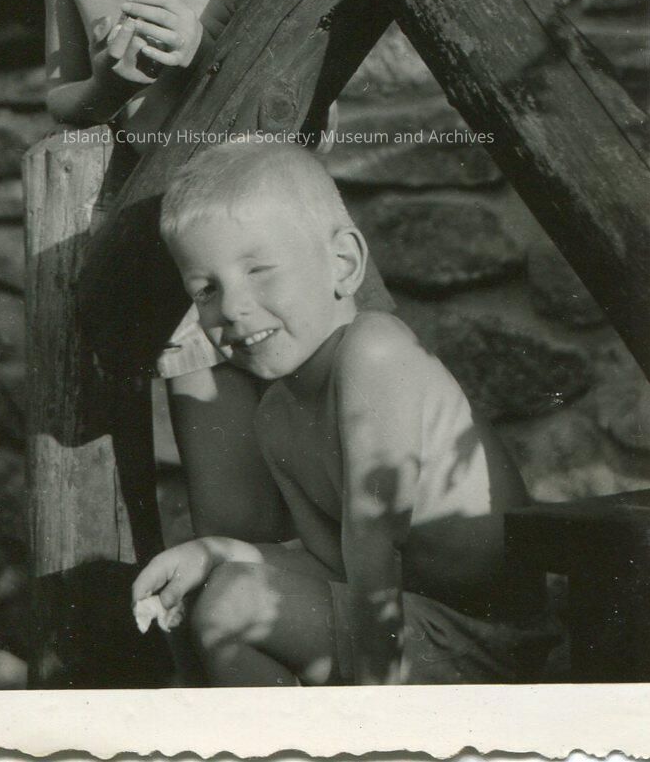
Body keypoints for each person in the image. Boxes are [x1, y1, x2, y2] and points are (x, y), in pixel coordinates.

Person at [8, 0, 293, 541]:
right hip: (175, 275)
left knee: (332, 479)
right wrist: (113, 84)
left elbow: (292, 125)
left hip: (269, 260)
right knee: (231, 518)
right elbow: (64, 96)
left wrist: (205, 57)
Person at [132, 140, 556, 686]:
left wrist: (372, 708)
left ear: (344, 264)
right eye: (206, 290)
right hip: (410, 627)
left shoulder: (374, 350)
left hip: (488, 643)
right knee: (215, 591)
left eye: (259, 270)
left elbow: (376, 549)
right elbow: (332, 564)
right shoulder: (276, 417)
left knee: (234, 603)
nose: (232, 308)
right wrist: (211, 553)